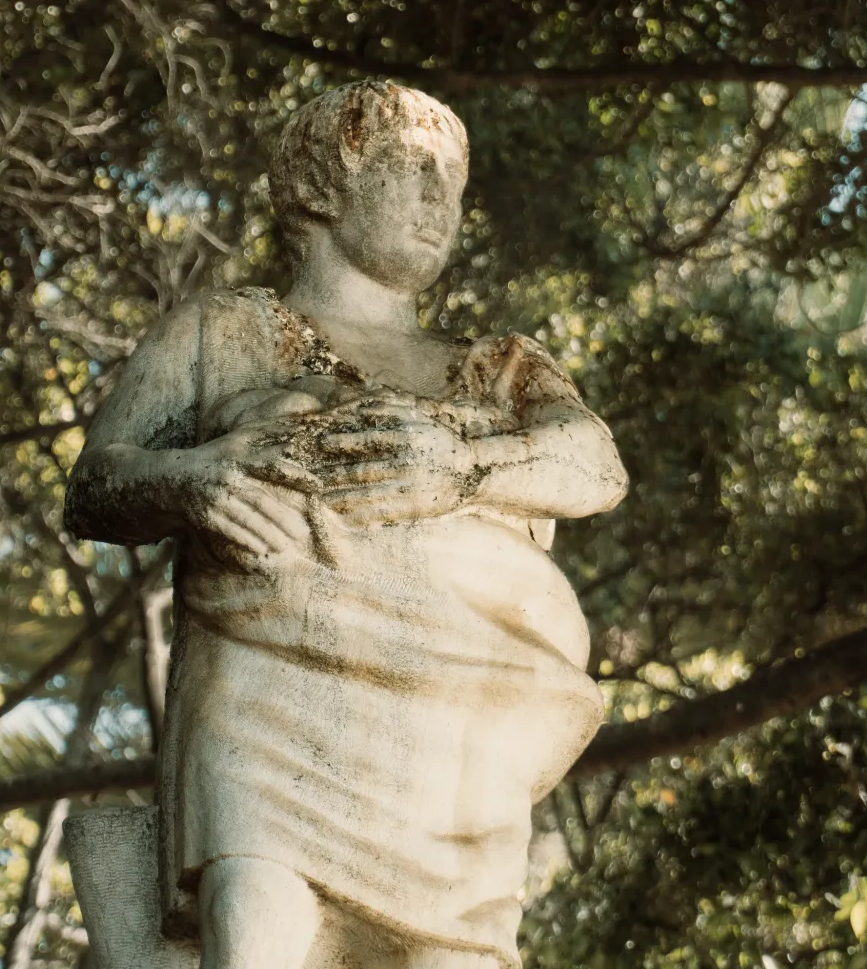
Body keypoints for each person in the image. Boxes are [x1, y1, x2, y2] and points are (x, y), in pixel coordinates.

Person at [63, 81, 627, 969]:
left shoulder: (492, 364)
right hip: (264, 681)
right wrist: (196, 478)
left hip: (456, 715)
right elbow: (97, 481)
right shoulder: (231, 330)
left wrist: (462, 464)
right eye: (413, 170)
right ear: (321, 186)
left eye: (454, 181)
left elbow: (594, 463)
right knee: (254, 934)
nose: (441, 200)